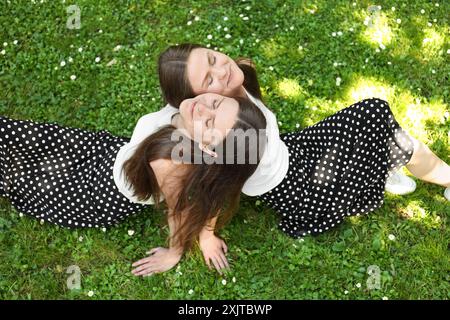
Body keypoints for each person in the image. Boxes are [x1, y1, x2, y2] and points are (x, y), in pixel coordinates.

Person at [157, 43, 450, 239]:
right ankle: (425, 172)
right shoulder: (222, 141)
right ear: (195, 103)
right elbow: (215, 188)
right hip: (301, 188)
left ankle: (379, 163)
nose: (222, 69)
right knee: (377, 119)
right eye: (209, 80)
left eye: (212, 58)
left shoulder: (233, 86)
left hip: (293, 150)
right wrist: (206, 236)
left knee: (374, 115)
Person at [0, 93, 266, 276]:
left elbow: (179, 211)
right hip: (106, 153)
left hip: (98, 191)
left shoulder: (172, 161)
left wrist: (177, 251)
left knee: (23, 177)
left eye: (209, 122)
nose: (204, 108)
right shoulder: (192, 106)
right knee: (25, 139)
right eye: (217, 102)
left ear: (208, 149)